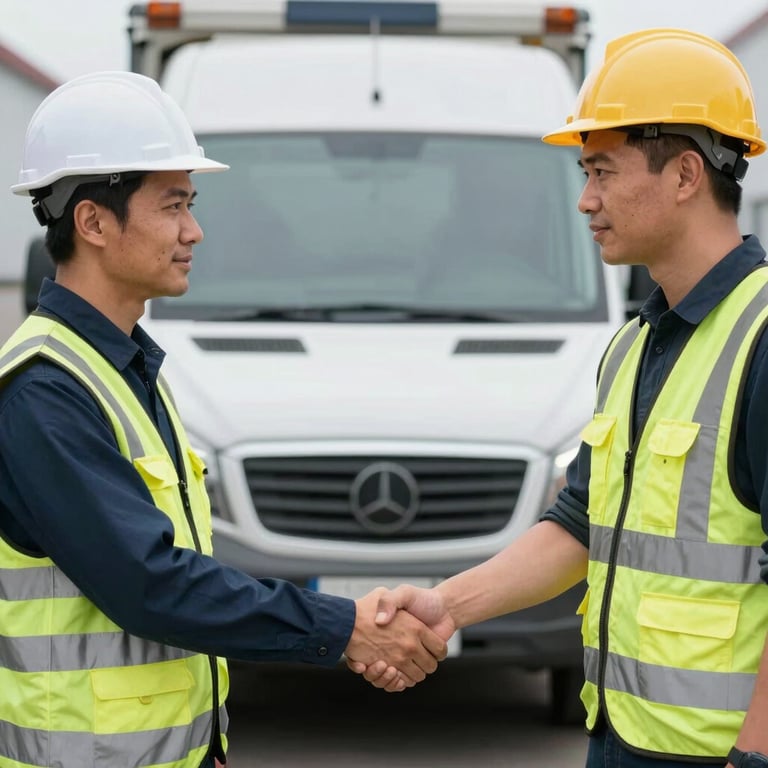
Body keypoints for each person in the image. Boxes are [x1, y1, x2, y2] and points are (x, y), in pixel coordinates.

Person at [0, 71, 447, 768]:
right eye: (173, 205)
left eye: (191, 204)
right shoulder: (46, 390)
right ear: (92, 222)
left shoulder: (123, 369)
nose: (194, 231)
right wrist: (345, 627)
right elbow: (150, 583)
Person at [353, 28, 768, 768]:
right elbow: (581, 526)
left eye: (601, 171)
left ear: (683, 175)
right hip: (620, 740)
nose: (585, 200)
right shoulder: (636, 345)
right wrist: (447, 607)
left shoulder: (762, 339)